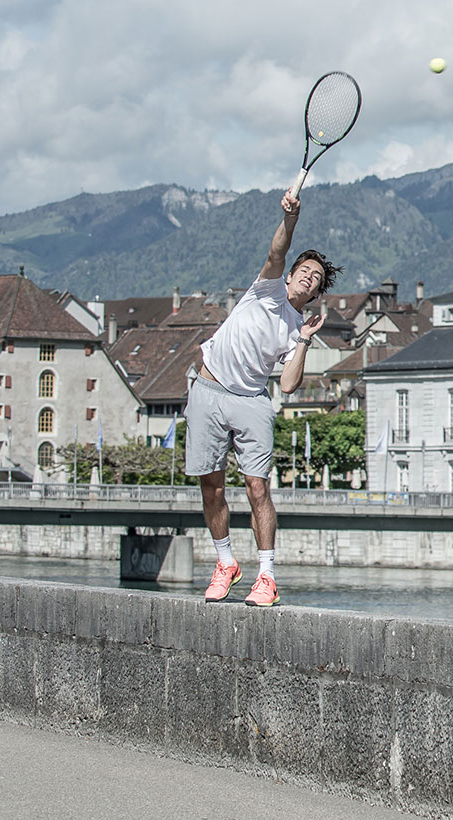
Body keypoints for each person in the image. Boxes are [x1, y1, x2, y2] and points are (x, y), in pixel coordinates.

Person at [186, 189, 338, 607]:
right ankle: (225, 564)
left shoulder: (296, 326)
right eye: (304, 270)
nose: (308, 277)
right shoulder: (265, 289)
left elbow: (287, 385)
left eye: (316, 278)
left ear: (315, 294)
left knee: (257, 488)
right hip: (208, 389)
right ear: (289, 276)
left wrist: (304, 340)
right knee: (211, 487)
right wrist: (290, 219)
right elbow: (276, 252)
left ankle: (267, 576)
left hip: (251, 400)